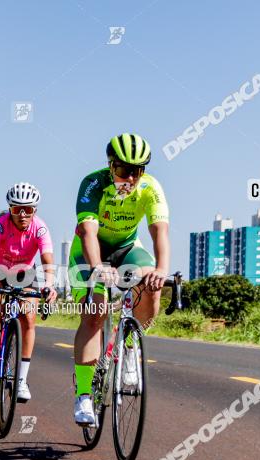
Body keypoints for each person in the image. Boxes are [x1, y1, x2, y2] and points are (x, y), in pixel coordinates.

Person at [69, 133, 170, 426]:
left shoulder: (151, 188)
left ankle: (129, 348)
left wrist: (161, 270)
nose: (131, 177)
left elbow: (159, 232)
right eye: (124, 169)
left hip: (127, 248)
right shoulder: (93, 183)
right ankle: (84, 396)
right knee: (95, 314)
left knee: (151, 284)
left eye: (138, 171)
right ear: (110, 165)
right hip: (90, 251)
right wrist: (98, 267)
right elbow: (88, 233)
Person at [0, 182, 57, 402]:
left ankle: (20, 380)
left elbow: (47, 259)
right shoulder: (0, 225)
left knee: (29, 318)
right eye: (16, 209)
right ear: (9, 209)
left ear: (34, 210)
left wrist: (50, 283)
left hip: (24, 273)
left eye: (27, 209)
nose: (22, 214)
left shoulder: (40, 228)